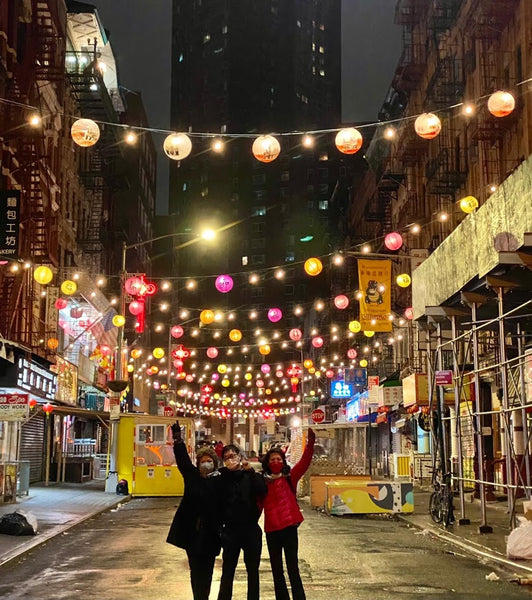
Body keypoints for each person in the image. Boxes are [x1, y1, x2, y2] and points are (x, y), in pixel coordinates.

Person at [167, 420, 221, 600]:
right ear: (198, 463)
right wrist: (178, 440)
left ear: (214, 463)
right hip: (191, 532)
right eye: (203, 461)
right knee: (195, 570)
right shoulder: (192, 477)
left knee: (207, 571)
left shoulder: (220, 481)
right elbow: (182, 460)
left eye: (209, 461)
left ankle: (203, 596)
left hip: (212, 534)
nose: (206, 464)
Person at [261, 428, 316, 600]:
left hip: (289, 529)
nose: (276, 461)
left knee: (293, 567)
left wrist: (310, 444)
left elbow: (305, 462)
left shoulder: (290, 478)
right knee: (277, 569)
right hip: (272, 530)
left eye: (279, 459)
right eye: (273, 459)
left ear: (283, 461)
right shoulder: (261, 482)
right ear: (268, 462)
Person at [217, 443, 267, 600]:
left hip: (251, 529)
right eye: (226, 458)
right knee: (228, 570)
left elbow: (262, 490)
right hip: (230, 530)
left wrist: (250, 471)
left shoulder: (250, 475)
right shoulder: (221, 476)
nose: (230, 460)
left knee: (253, 571)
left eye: (232, 456)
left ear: (239, 456)